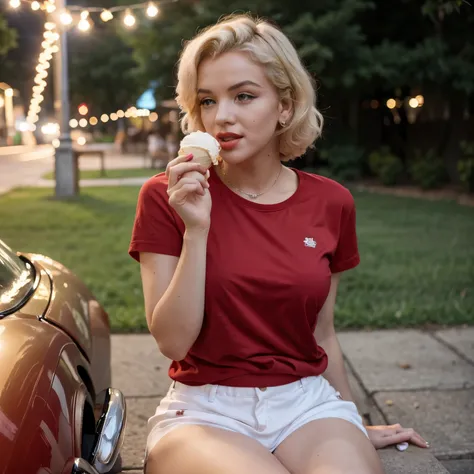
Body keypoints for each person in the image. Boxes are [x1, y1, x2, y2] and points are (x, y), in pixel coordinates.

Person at [129, 14, 429, 474]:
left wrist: (352, 421)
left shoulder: (332, 202)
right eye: (208, 100)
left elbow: (321, 333)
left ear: (285, 106)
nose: (222, 116)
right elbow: (173, 342)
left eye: (244, 96)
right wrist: (197, 230)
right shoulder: (168, 196)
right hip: (205, 411)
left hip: (306, 404)